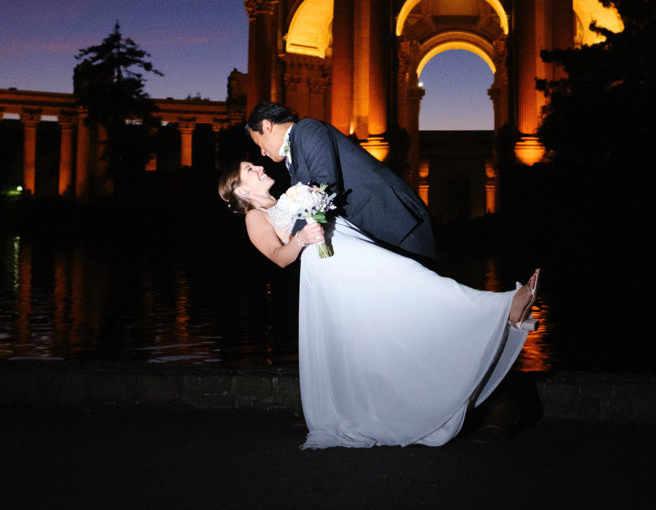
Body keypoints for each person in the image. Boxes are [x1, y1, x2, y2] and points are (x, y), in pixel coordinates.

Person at [219, 159, 539, 449]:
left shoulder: (287, 197)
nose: (259, 168)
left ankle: (495, 313)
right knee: (410, 291)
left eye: (254, 165)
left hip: (353, 249)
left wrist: (317, 203)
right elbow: (279, 258)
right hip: (334, 270)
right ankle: (501, 310)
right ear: (242, 189)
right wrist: (300, 238)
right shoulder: (254, 218)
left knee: (414, 290)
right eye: (250, 170)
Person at [246, 102, 436, 267]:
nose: (262, 152)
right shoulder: (292, 159)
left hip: (394, 219)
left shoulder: (307, 129)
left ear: (267, 126)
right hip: (373, 230)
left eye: (258, 142)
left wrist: (298, 237)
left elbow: (324, 184)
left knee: (429, 291)